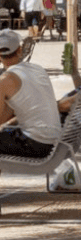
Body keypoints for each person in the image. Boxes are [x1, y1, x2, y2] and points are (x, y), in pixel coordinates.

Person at [0, 29, 60, 158]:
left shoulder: (5, 80)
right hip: (53, 142)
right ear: (20, 50)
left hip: (35, 144)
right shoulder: (38, 69)